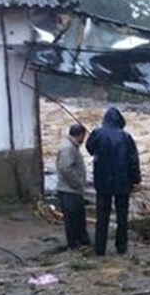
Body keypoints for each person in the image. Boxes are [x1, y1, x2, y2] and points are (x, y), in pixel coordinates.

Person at [85, 107, 141, 256]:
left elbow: (89, 148)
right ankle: (121, 247)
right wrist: (136, 180)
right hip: (123, 184)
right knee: (122, 217)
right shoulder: (126, 137)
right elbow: (133, 161)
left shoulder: (97, 134)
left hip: (102, 183)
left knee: (102, 217)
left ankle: (100, 248)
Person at [55, 123, 91, 250]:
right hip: (69, 190)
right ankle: (74, 245)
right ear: (81, 135)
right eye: (84, 136)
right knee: (72, 220)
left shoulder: (70, 146)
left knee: (77, 218)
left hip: (70, 190)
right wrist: (78, 184)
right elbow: (65, 169)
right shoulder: (68, 148)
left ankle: (80, 242)